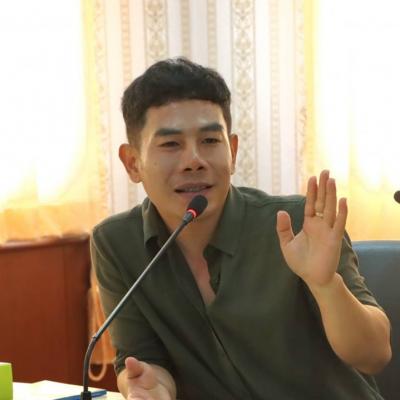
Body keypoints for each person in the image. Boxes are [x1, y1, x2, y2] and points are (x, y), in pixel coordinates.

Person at [91, 57, 392, 400]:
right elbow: (142, 357)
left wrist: (326, 286)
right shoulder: (116, 244)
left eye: (210, 141)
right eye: (171, 144)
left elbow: (375, 354)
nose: (194, 161)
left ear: (232, 151)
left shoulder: (298, 225)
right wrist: (151, 387)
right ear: (133, 162)